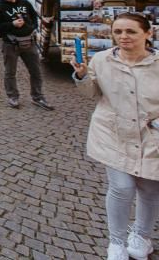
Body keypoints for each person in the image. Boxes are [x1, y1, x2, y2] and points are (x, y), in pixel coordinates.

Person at [71, 14, 159, 260]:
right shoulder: (101, 59)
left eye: (130, 31)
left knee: (150, 190)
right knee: (121, 187)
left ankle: (141, 236)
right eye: (118, 32)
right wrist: (81, 76)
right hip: (112, 133)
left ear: (148, 34)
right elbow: (91, 93)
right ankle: (117, 242)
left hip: (152, 137)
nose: (123, 37)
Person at [0, 0, 53, 110]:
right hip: (10, 44)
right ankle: (13, 97)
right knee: (10, 72)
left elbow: (34, 18)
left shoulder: (25, 3)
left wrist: (31, 28)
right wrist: (11, 24)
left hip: (29, 42)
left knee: (36, 71)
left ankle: (38, 96)